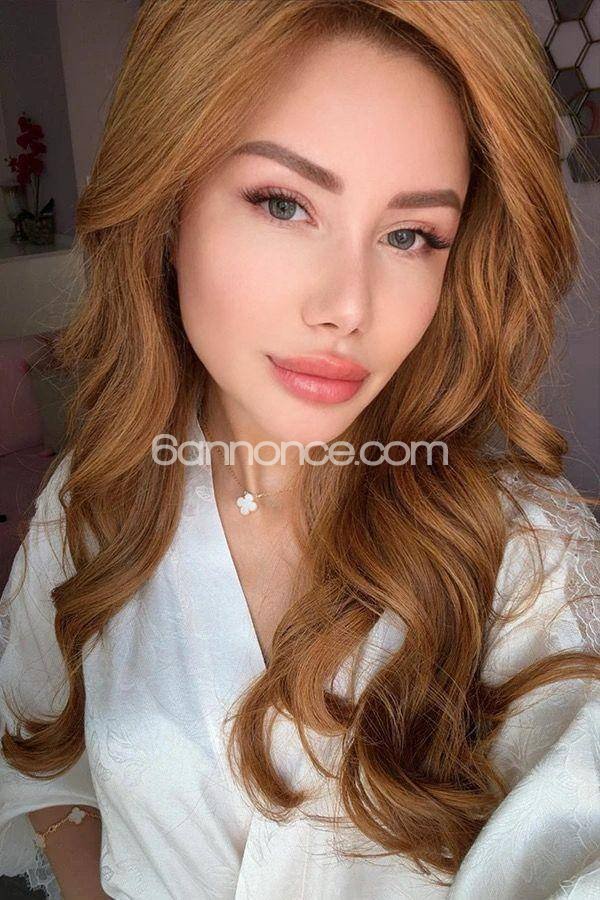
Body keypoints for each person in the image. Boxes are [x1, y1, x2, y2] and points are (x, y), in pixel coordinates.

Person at [1, 1, 599, 898]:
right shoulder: (91, 502)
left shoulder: (532, 562)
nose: (348, 306)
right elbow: (40, 751)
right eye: (284, 204)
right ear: (168, 209)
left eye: (410, 235)